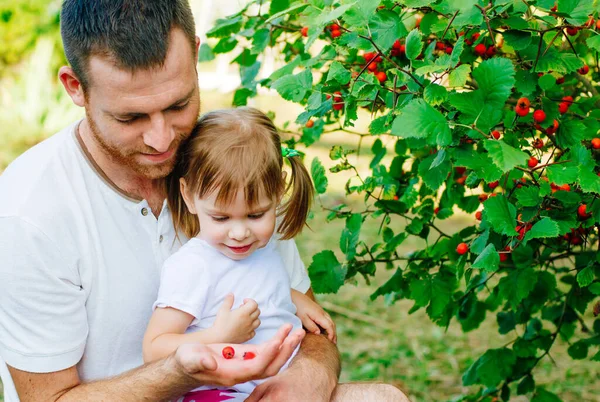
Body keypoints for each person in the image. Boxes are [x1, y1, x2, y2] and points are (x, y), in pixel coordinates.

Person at [0, 1, 409, 401]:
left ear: (195, 55)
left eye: (178, 104)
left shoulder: (230, 163)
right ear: (76, 87)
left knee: (385, 397)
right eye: (130, 118)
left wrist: (306, 376)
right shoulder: (30, 214)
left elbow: (307, 329)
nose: (161, 140)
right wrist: (184, 369)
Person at [143, 107, 337, 401]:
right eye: (221, 218)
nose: (239, 233)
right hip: (221, 393)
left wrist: (295, 299)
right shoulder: (193, 266)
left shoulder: (265, 247)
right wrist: (218, 336)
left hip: (281, 387)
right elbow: (154, 348)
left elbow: (256, 282)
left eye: (256, 215)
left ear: (278, 191)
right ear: (189, 196)